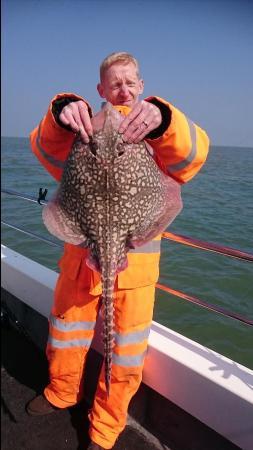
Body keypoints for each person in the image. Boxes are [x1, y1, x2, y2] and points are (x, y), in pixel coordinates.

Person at [27, 52, 209, 449]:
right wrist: (60, 112)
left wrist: (164, 120)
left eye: (130, 82)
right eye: (114, 84)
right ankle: (61, 392)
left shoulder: (157, 132)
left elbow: (194, 156)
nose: (123, 90)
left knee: (125, 353)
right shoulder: (83, 130)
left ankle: (106, 428)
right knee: (65, 334)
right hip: (81, 256)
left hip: (136, 270)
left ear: (141, 86)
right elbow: (44, 148)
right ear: (101, 91)